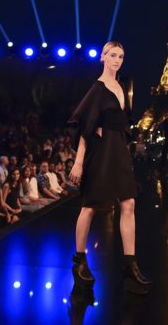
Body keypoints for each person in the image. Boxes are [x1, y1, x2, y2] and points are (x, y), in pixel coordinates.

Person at [67, 41, 151, 294]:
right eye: (112, 55)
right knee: (90, 206)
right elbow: (83, 127)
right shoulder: (98, 88)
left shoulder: (121, 87)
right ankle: (80, 259)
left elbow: (122, 123)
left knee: (129, 204)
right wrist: (79, 163)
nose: (117, 60)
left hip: (119, 152)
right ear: (102, 57)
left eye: (121, 56)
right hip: (100, 152)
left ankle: (130, 264)